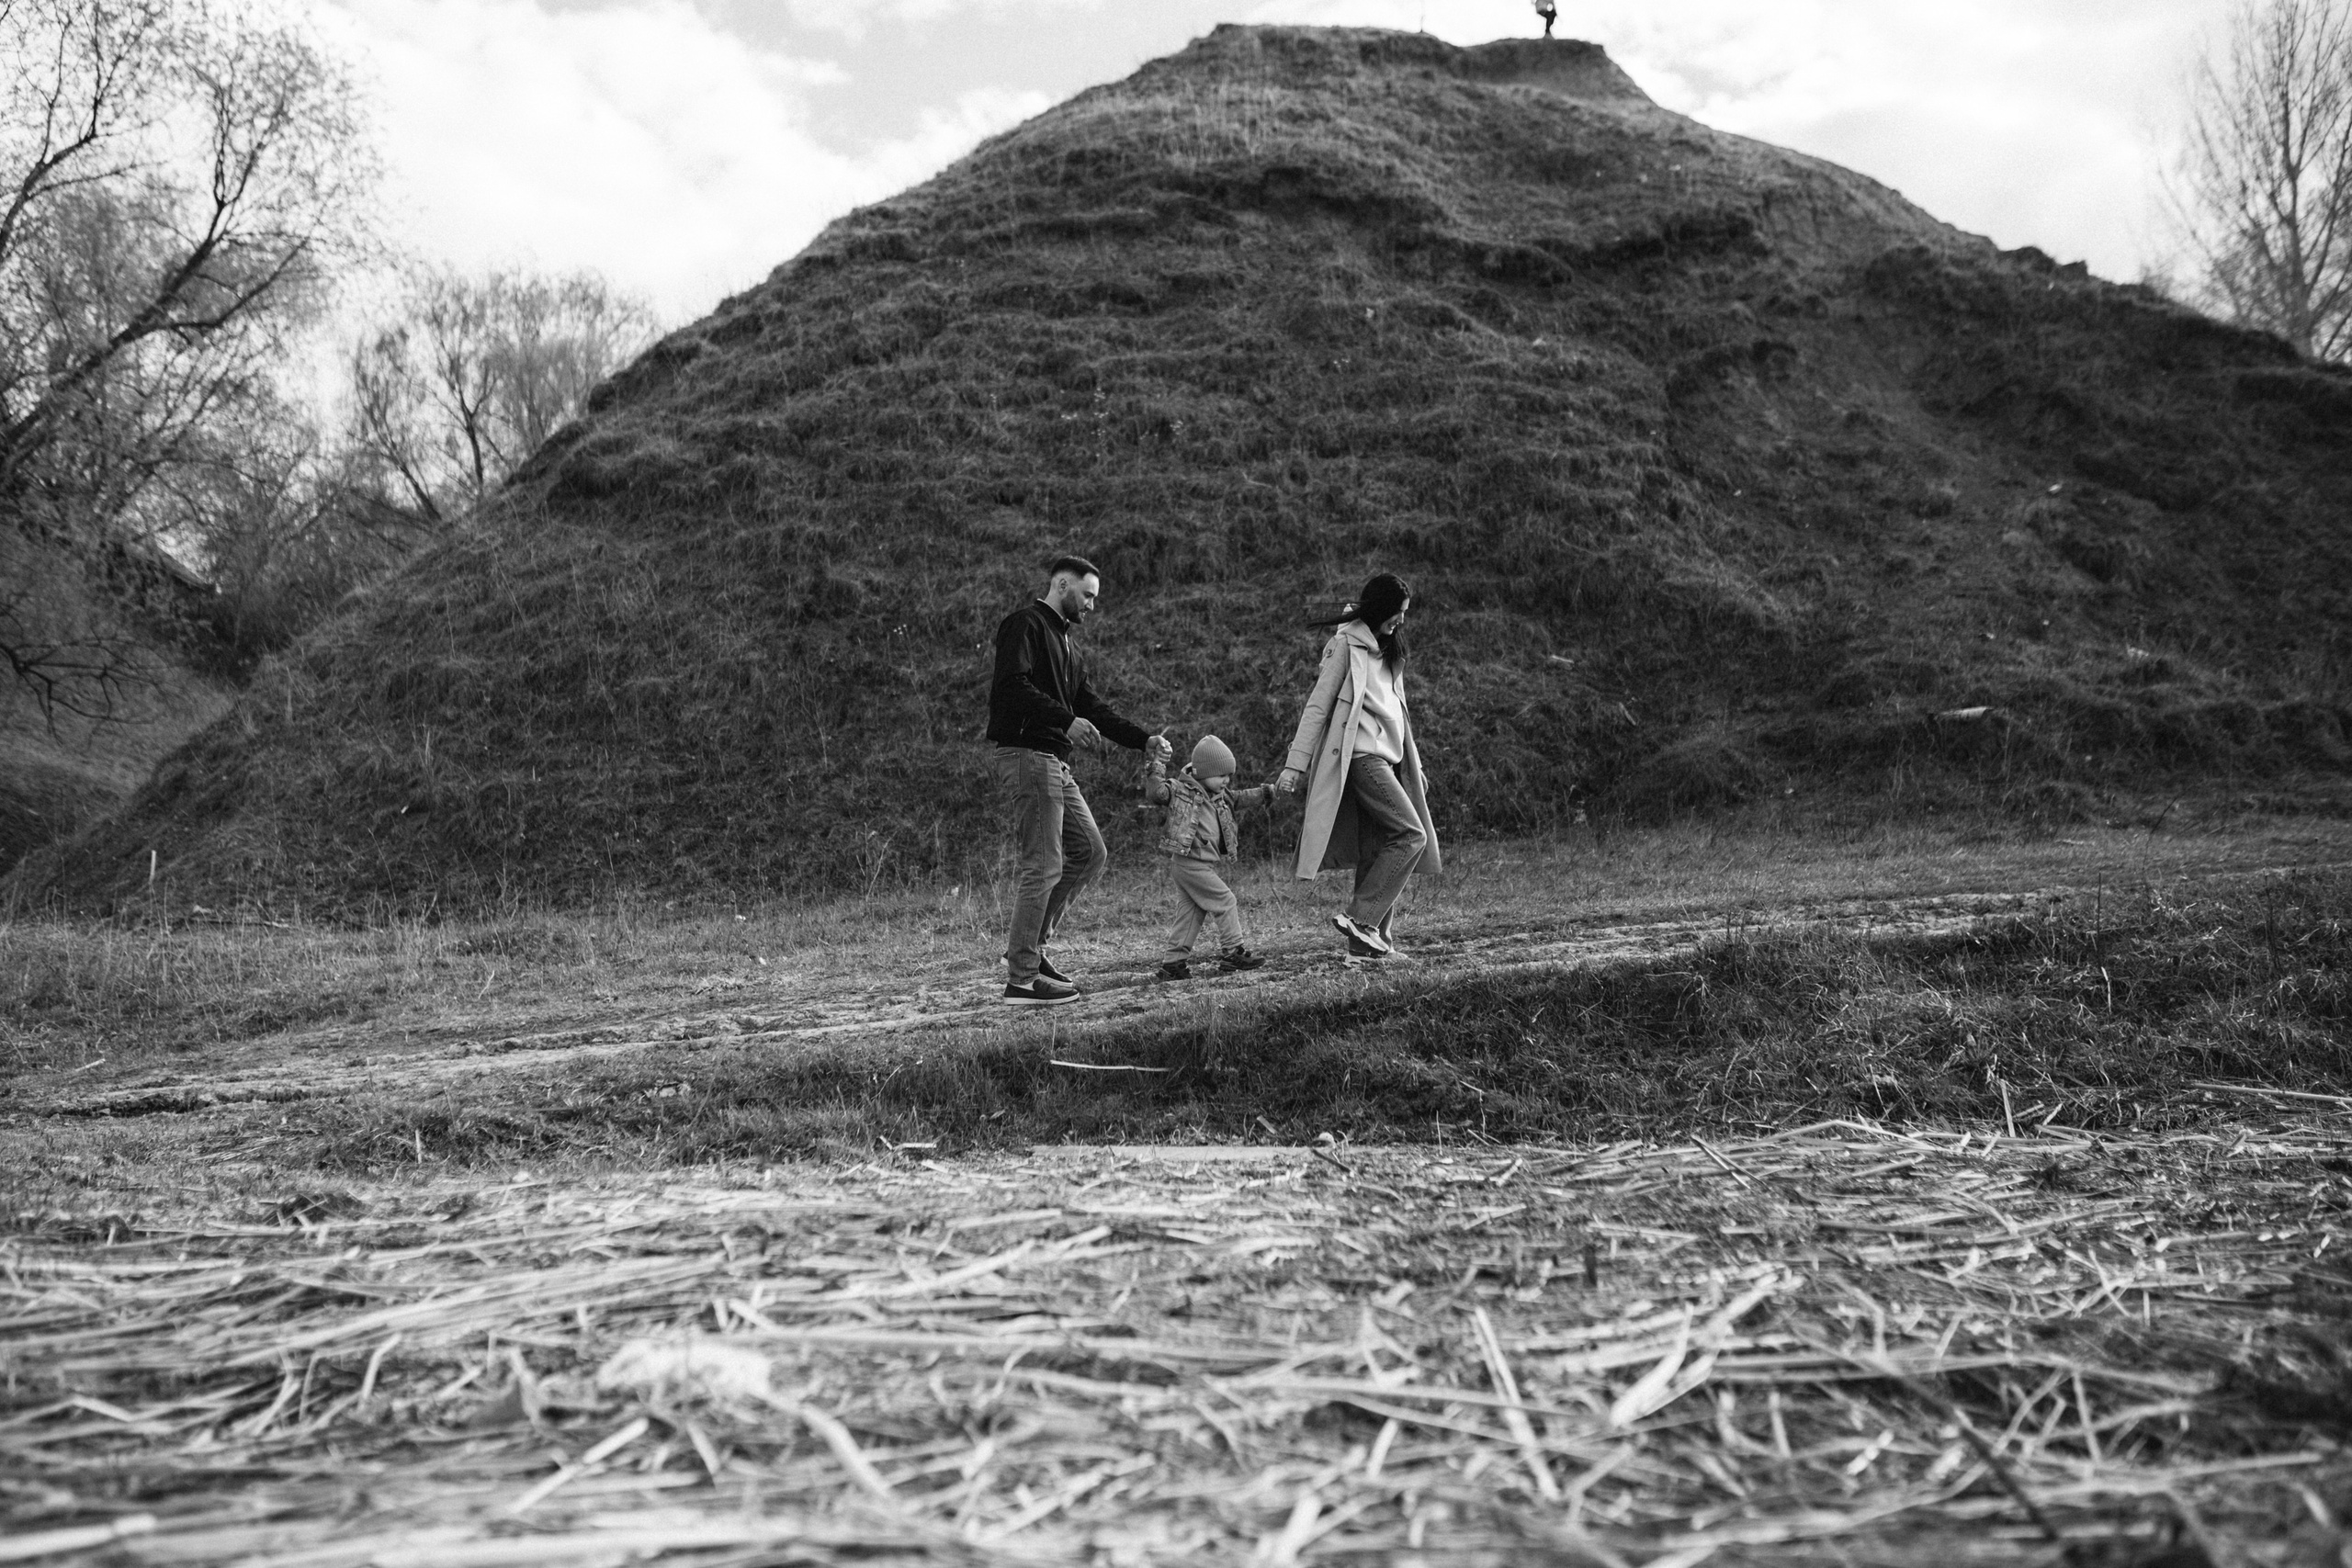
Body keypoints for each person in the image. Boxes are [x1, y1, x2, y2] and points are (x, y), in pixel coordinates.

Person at [988, 555, 1172, 1006]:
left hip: (1053, 760)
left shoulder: (1069, 647)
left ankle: (1032, 951)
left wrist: (1143, 740)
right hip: (1029, 753)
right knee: (1044, 864)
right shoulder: (1025, 625)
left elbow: (1094, 709)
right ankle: (1022, 979)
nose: (1091, 604)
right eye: (1087, 595)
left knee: (1090, 851)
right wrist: (1065, 720)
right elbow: (1010, 687)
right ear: (1062, 584)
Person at [1275, 573, 1441, 957]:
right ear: (1380, 608)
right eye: (1397, 613)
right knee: (1410, 834)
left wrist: (1414, 767)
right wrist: (1294, 765)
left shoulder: (1388, 649)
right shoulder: (1345, 645)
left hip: (1390, 759)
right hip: (1363, 759)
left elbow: (1397, 713)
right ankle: (1361, 919)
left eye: (1404, 614)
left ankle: (1366, 950)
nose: (1401, 620)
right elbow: (1317, 706)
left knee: (1379, 846)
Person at [1142, 735, 1273, 981]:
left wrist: (1270, 792)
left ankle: (1173, 964)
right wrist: (1157, 765)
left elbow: (1244, 797)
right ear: (1204, 772)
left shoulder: (1221, 797)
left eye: (1229, 775)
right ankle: (1233, 952)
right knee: (1225, 900)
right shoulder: (1180, 790)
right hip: (1190, 863)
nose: (1227, 780)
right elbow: (1156, 793)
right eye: (1222, 774)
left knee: (1190, 914)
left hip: (1196, 865)